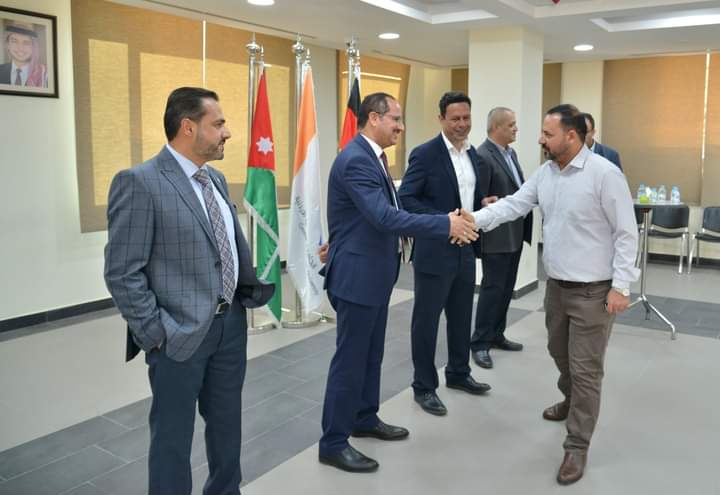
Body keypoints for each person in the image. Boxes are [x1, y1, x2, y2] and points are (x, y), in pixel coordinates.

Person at [104, 87, 274, 495]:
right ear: (188, 127)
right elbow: (122, 271)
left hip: (229, 327)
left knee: (227, 428)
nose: (227, 133)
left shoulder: (214, 179)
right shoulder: (140, 182)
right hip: (177, 336)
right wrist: (155, 333)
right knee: (172, 440)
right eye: (218, 124)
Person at [471, 104, 639, 485]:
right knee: (559, 353)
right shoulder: (546, 174)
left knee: (586, 371)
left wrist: (621, 286)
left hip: (594, 293)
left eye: (548, 134)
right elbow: (514, 205)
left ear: (571, 136)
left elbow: (626, 233)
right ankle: (570, 398)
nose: (540, 139)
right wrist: (472, 220)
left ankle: (576, 446)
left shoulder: (604, 175)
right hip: (557, 288)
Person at [319, 92, 478, 473]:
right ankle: (333, 442)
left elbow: (364, 215)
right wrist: (444, 223)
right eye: (395, 119)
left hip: (373, 274)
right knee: (350, 360)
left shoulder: (373, 157)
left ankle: (364, 417)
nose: (401, 127)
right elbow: (384, 217)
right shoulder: (357, 160)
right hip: (357, 277)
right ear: (374, 118)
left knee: (371, 355)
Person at [398, 91, 491, 417]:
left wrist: (482, 205)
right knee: (426, 322)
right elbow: (407, 199)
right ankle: (424, 386)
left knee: (461, 316)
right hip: (435, 251)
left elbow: (469, 198)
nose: (462, 124)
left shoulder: (473, 155)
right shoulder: (425, 154)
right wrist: (444, 221)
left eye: (466, 118)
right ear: (441, 119)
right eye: (455, 119)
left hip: (466, 249)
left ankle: (459, 373)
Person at [470, 107, 533, 369]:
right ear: (496, 127)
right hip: (495, 237)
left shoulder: (510, 153)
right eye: (511, 125)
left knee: (506, 288)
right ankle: (480, 343)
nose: (516, 128)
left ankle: (497, 334)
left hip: (514, 234)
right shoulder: (483, 156)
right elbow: (480, 199)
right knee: (492, 289)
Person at [0, 21, 47, 87]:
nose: (20, 47)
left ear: (33, 47)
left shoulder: (43, 75)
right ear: (8, 45)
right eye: (14, 41)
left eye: (26, 43)